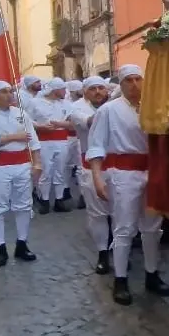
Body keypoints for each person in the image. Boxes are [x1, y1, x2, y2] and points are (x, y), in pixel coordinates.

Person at [87, 64, 169, 305]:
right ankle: (121, 279)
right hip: (122, 174)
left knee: (152, 227)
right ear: (121, 84)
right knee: (124, 228)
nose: (134, 84)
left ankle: (151, 273)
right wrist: (97, 177)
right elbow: (96, 145)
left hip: (151, 172)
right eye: (129, 80)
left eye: (138, 79)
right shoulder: (108, 111)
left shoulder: (153, 109)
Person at [0, 81, 43, 267]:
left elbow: (33, 140)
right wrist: (13, 137)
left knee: (24, 205)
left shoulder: (20, 113)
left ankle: (22, 243)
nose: (9, 94)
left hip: (22, 164)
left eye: (10, 91)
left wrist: (37, 162)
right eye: (4, 92)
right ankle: (0, 247)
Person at [68, 76, 112, 274]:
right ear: (84, 91)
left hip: (117, 165)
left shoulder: (115, 105)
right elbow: (90, 122)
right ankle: (103, 254)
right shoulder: (77, 108)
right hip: (90, 166)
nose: (97, 92)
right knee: (98, 214)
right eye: (93, 89)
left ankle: (119, 251)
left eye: (101, 88)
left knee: (121, 214)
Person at [26, 78, 74, 214]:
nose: (65, 92)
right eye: (63, 89)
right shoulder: (35, 102)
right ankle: (44, 200)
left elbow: (72, 122)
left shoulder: (66, 104)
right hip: (44, 141)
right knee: (45, 171)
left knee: (60, 171)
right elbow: (27, 119)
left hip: (62, 141)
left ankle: (59, 200)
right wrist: (40, 126)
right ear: (55, 90)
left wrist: (61, 125)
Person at [62, 79, 85, 208]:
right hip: (68, 138)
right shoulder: (69, 104)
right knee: (67, 165)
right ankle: (65, 190)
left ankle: (83, 195)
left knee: (81, 167)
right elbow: (68, 123)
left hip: (80, 138)